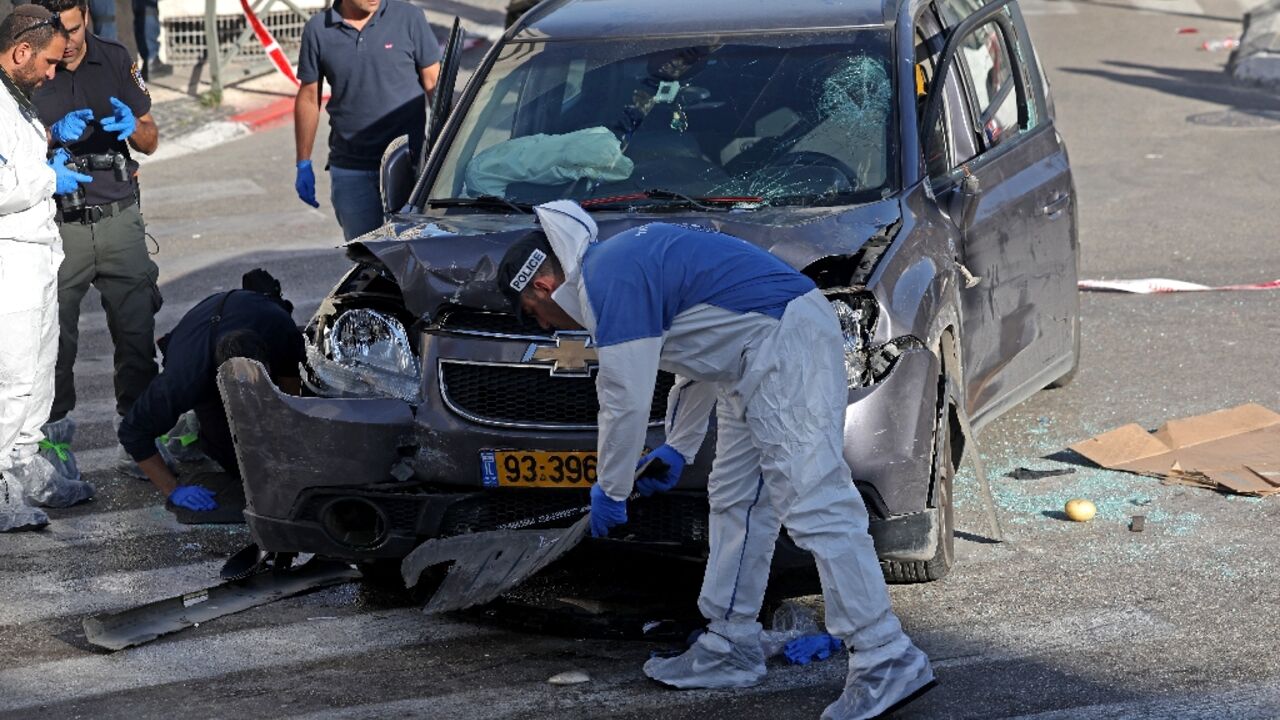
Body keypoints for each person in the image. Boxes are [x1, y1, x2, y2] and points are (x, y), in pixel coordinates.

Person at [495, 201, 935, 720]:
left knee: (816, 501)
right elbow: (696, 352)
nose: (546, 328)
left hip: (780, 344)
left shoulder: (605, 281)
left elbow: (624, 399)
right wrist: (678, 447)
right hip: (752, 354)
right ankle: (731, 643)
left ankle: (886, 655)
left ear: (541, 289)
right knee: (737, 502)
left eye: (533, 315)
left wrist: (610, 489)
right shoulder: (618, 262)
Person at [30, 0, 161, 481]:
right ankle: (52, 444)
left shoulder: (115, 57)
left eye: (72, 29)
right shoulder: (32, 70)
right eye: (56, 33)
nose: (65, 45)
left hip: (119, 217)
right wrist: (48, 138)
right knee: (55, 343)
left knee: (136, 334)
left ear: (86, 14)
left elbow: (149, 138)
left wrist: (136, 128)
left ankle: (139, 439)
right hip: (59, 226)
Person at [0, 3, 97, 532]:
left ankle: (26, 469)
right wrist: (46, 179)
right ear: (20, 52)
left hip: (36, 253)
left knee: (38, 376)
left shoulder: (20, 100)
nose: (54, 73)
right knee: (11, 381)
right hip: (8, 257)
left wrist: (52, 142)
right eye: (50, 63)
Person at [118, 269, 304, 512]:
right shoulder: (185, 379)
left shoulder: (281, 330)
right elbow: (132, 432)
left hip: (253, 310)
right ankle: (193, 425)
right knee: (236, 463)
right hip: (195, 341)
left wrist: (288, 431)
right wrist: (173, 489)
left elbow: (292, 388)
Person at [293, 0, 441, 241]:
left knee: (413, 257)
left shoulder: (409, 17)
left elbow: (434, 83)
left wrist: (451, 148)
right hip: (351, 168)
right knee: (365, 260)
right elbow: (309, 98)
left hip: (409, 166)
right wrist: (303, 162)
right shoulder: (318, 30)